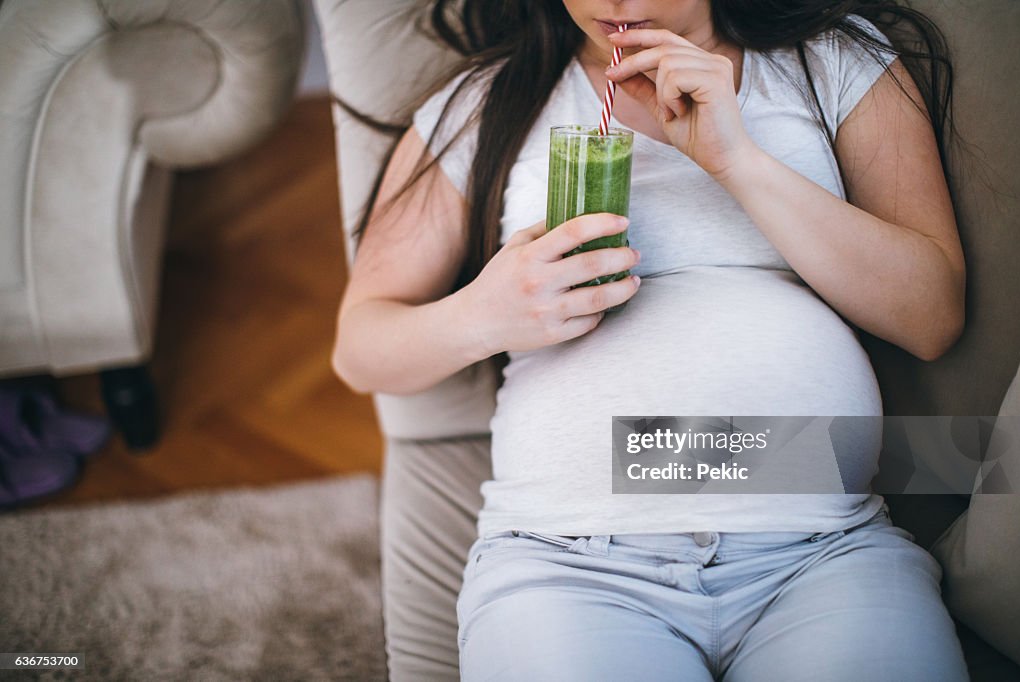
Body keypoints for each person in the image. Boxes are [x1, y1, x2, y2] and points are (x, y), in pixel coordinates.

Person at [332, 1, 970, 679]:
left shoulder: (832, 61)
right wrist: (484, 314)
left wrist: (737, 163)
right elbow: (359, 349)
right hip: (568, 561)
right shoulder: (489, 103)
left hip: (825, 549)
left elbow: (930, 318)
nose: (618, 5)